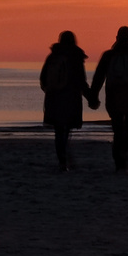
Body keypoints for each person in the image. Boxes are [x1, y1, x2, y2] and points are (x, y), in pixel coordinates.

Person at [88, 26, 128, 172]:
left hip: (113, 98)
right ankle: (124, 156)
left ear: (116, 38)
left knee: (117, 129)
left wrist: (93, 96)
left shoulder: (108, 56)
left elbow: (98, 77)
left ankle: (119, 161)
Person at [39, 32, 89, 170]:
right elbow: (81, 80)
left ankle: (62, 160)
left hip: (54, 98)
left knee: (58, 130)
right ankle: (64, 158)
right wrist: (90, 97)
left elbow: (43, 78)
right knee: (66, 130)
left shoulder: (52, 57)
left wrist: (50, 91)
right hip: (71, 98)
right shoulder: (75, 57)